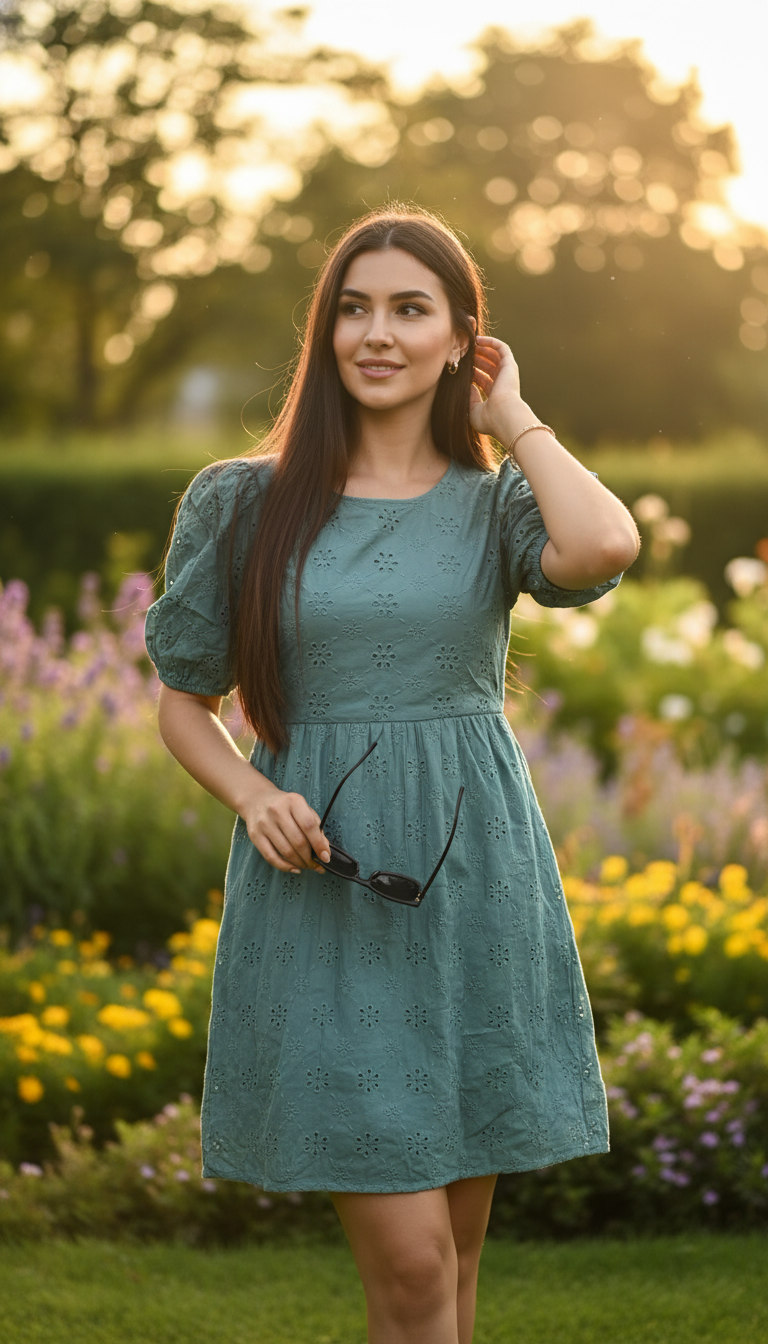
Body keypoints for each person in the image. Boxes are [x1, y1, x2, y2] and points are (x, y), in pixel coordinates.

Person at [144, 205, 639, 1344]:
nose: (377, 333)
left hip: (476, 887)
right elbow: (184, 705)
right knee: (414, 1270)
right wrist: (254, 792)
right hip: (328, 892)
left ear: (462, 336)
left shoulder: (496, 506)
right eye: (353, 309)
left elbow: (604, 546)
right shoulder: (241, 500)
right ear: (324, 334)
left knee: (456, 1270)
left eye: (411, 309)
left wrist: (512, 416)